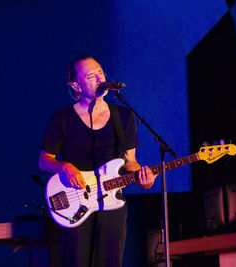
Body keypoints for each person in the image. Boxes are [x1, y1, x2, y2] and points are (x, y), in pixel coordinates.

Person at [38, 55, 157, 267]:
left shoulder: (123, 117)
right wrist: (65, 167)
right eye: (91, 76)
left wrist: (144, 180)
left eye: (100, 72)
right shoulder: (62, 119)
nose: (99, 78)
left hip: (112, 205)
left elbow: (130, 163)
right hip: (74, 202)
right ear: (76, 85)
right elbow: (44, 161)